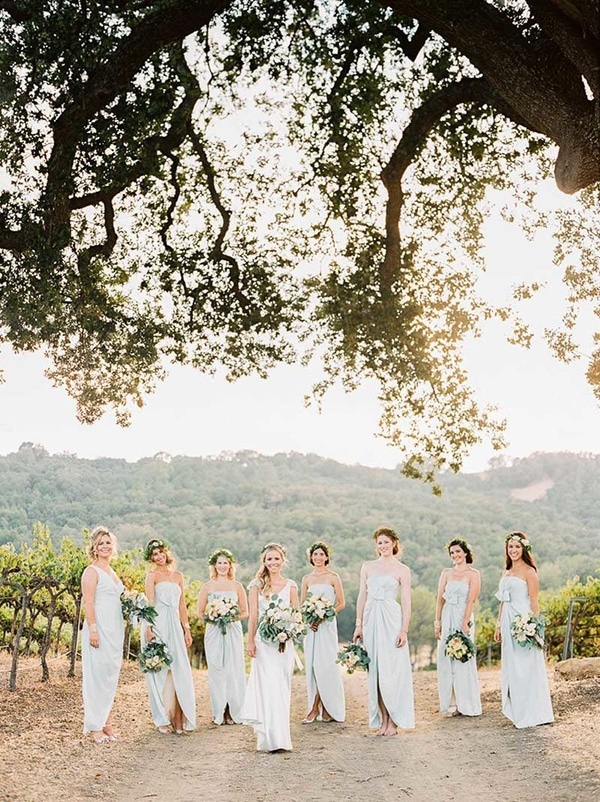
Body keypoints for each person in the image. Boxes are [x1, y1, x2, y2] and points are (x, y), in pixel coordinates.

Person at [353, 526, 414, 736]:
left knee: (391, 669)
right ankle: (383, 719)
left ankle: (394, 720)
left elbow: (406, 602)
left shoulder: (402, 569)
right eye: (379, 542)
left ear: (394, 543)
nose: (383, 546)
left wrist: (404, 630)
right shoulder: (368, 566)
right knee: (376, 670)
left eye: (386, 542)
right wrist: (359, 624)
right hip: (371, 618)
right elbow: (362, 596)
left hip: (391, 619)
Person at [240, 542, 299, 751]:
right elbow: (253, 616)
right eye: (269, 559)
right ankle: (268, 739)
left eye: (276, 558)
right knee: (268, 687)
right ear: (264, 561)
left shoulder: (291, 585)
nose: (273, 562)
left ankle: (281, 739)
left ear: (283, 561)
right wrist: (250, 641)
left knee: (282, 687)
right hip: (263, 644)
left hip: (283, 643)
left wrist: (288, 631)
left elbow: (296, 615)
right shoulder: (256, 585)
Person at [494, 532, 554, 728]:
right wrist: (498, 624)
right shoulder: (506, 572)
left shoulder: (529, 572)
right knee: (512, 667)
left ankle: (533, 712)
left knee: (525, 667)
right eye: (510, 547)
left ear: (524, 549)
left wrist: (532, 627)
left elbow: (534, 602)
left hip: (522, 623)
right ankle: (518, 711)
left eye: (517, 547)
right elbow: (502, 601)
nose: (513, 550)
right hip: (507, 622)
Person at [142, 538, 196, 734]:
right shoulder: (151, 576)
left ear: (167, 553)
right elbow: (150, 602)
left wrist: (186, 629)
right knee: (159, 670)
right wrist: (149, 627)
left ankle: (180, 717)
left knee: (180, 669)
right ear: (151, 558)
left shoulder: (178, 576)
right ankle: (162, 719)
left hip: (175, 624)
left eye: (161, 552)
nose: (159, 557)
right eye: (154, 554)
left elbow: (182, 605)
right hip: (158, 623)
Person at [81, 525, 125, 744]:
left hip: (114, 630)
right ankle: (94, 726)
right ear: (94, 547)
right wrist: (93, 630)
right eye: (101, 543)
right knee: (96, 677)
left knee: (109, 677)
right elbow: (88, 602)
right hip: (99, 630)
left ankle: (106, 722)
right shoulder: (91, 571)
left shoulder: (112, 571)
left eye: (108, 542)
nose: (105, 546)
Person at [197, 548, 248, 725]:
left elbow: (245, 612)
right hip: (214, 630)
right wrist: (214, 617)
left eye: (226, 563)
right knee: (217, 668)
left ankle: (232, 711)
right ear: (214, 565)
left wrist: (230, 617)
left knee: (233, 668)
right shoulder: (207, 587)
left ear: (230, 565)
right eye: (219, 563)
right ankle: (219, 710)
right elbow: (199, 613)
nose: (222, 566)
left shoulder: (237, 586)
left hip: (232, 629)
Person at [435, 538, 482, 716]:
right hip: (447, 615)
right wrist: (437, 622)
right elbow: (439, 600)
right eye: (452, 552)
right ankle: (452, 703)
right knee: (446, 657)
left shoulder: (473, 574)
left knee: (463, 656)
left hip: (463, 615)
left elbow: (471, 600)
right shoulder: (446, 573)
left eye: (458, 551)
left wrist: (464, 622)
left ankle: (466, 703)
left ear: (465, 553)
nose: (455, 555)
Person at [300, 541, 346, 723]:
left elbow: (341, 603)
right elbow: (302, 605)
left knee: (325, 666)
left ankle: (319, 708)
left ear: (327, 557)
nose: (318, 557)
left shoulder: (333, 577)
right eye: (315, 554)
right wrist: (310, 618)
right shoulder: (306, 579)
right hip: (312, 628)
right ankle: (320, 708)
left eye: (321, 554)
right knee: (313, 666)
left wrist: (325, 614)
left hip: (327, 626)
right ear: (311, 557)